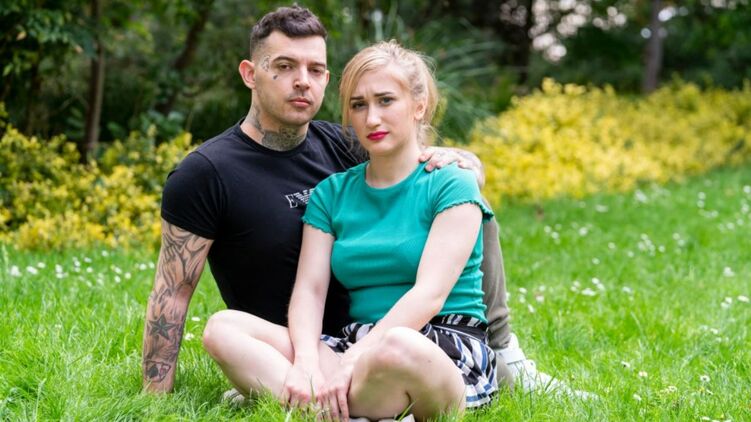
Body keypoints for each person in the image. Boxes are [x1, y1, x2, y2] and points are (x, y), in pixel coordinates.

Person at [142, 4, 584, 401]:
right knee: (222, 327)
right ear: (250, 73)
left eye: (316, 69)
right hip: (314, 342)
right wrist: (154, 399)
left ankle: (504, 354)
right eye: (284, 66)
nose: (302, 80)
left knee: (469, 224)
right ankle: (312, 394)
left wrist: (468, 165)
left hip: (397, 340)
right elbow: (172, 294)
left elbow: (410, 164)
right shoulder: (207, 173)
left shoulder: (342, 144)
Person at [204, 39, 499, 421]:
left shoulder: (452, 182)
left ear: (419, 105)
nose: (371, 118)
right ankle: (336, 406)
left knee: (398, 346)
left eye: (386, 101)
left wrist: (354, 360)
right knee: (223, 328)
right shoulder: (332, 193)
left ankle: (294, 400)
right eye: (359, 105)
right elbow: (310, 290)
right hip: (355, 343)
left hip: (436, 349)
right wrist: (307, 362)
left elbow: (429, 295)